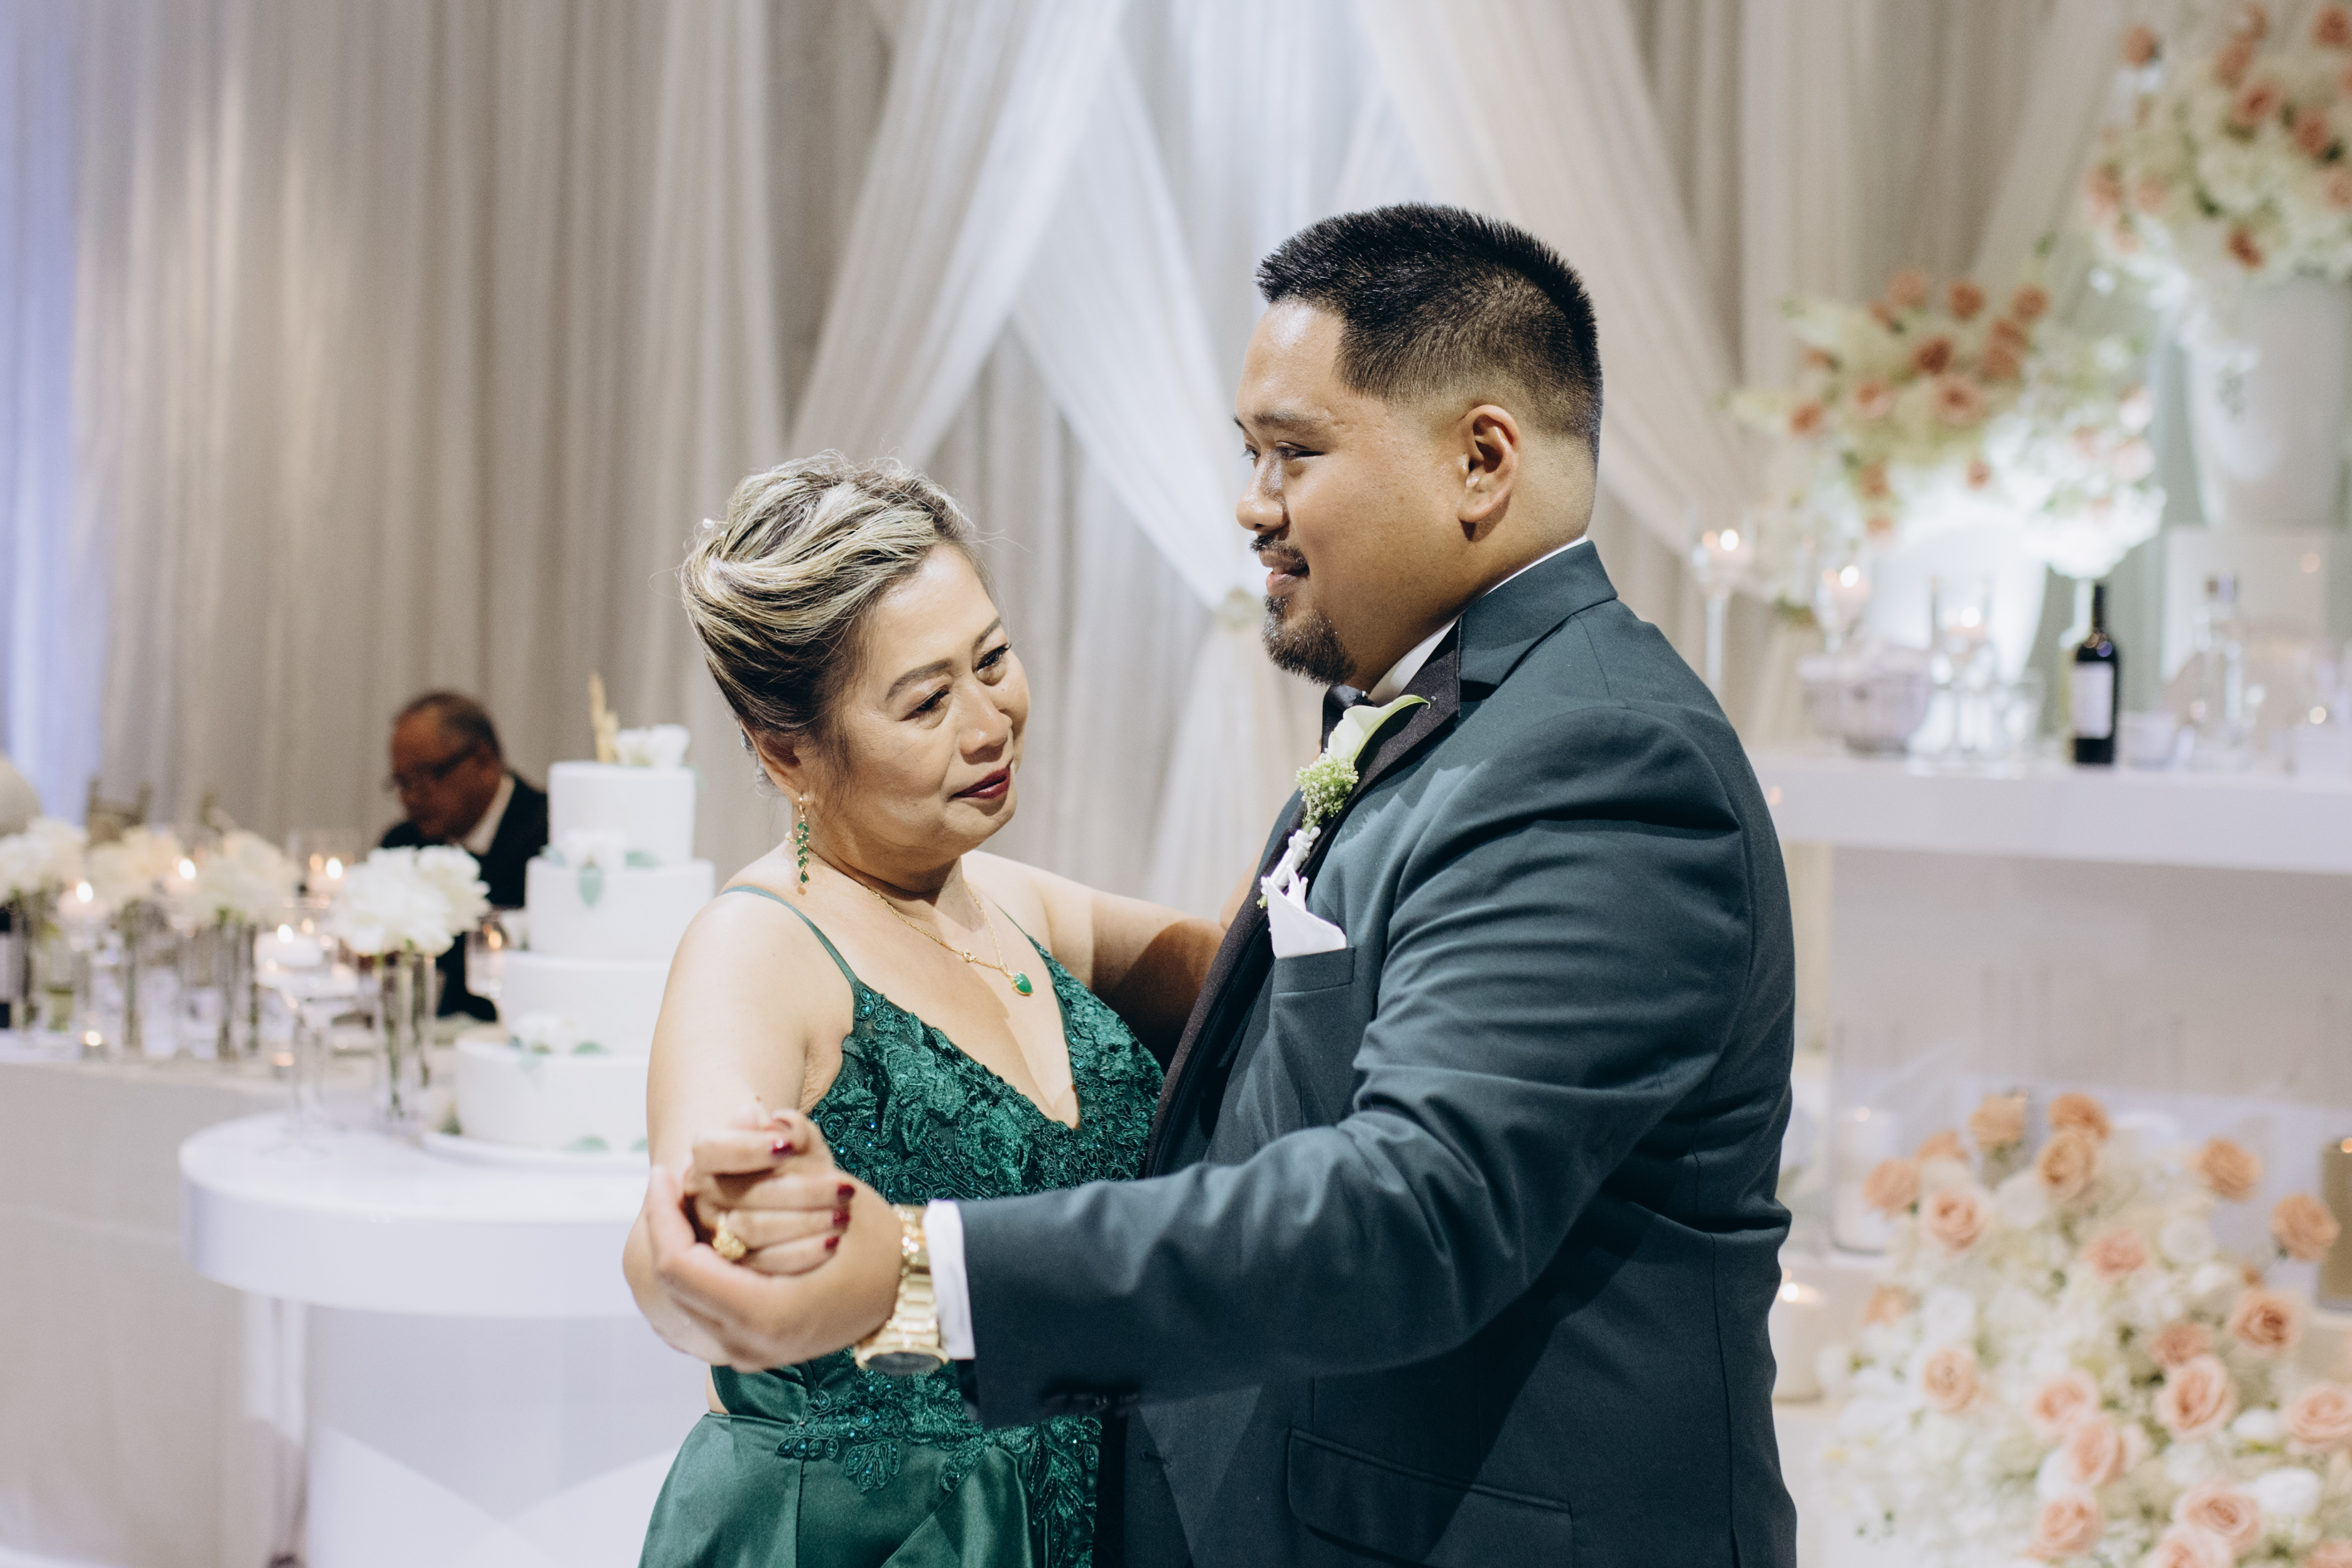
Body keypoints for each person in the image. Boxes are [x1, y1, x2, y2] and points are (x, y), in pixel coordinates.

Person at [641, 205, 1799, 1568]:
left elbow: (1415, 1207)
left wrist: (917, 1275)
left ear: (1480, 461)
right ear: (785, 750)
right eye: (1249, 452)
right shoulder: (1447, 716)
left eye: (1293, 453)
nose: (1253, 502)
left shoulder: (1592, 756)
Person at [624, 455, 1225, 1567]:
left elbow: (1237, 973)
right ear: (787, 752)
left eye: (992, 660)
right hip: (889, 1539)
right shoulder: (756, 947)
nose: (990, 723)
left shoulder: (1009, 900)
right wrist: (723, 1226)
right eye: (927, 701)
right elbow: (679, 1238)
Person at [379, 692, 547, 1018]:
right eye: (402, 782)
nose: (410, 798)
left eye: (425, 777)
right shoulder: (403, 846)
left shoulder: (548, 839)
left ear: (483, 760)